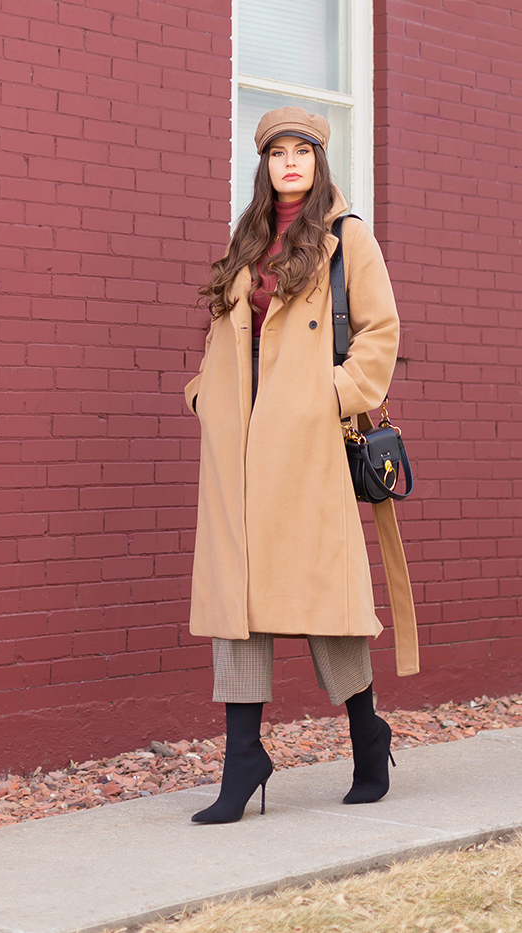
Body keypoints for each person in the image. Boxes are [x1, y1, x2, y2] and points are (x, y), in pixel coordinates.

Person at [184, 107, 402, 825]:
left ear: (319, 160)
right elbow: (227, 334)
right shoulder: (245, 237)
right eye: (276, 152)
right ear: (263, 164)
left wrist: (332, 396)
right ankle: (243, 757)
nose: (288, 162)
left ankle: (367, 732)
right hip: (238, 444)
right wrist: (203, 397)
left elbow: (379, 331)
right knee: (236, 602)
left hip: (303, 439)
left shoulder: (347, 238)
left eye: (301, 151)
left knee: (325, 599)